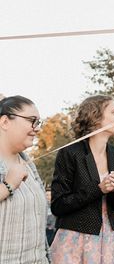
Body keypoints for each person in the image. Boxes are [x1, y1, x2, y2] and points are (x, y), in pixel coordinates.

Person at [50, 94, 114, 264]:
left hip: (107, 240)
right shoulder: (70, 153)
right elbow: (58, 205)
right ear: (96, 117)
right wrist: (99, 189)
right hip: (74, 239)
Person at [0, 95, 48, 263]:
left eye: (38, 123)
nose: (37, 128)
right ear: (5, 122)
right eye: (31, 120)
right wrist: (8, 185)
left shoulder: (29, 165)